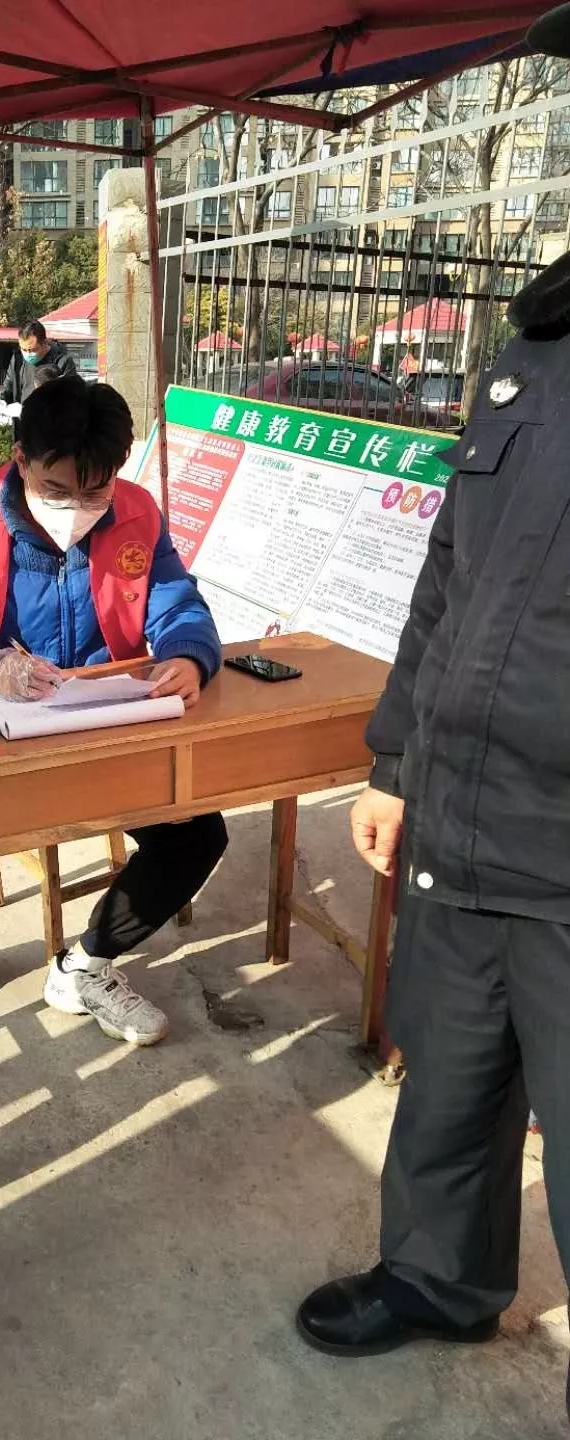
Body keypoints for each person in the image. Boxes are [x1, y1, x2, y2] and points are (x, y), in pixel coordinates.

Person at [297, 9, 570, 1428]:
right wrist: (395, 758)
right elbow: (447, 580)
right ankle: (438, 1278)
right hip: (463, 823)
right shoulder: (538, 348)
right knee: (450, 1083)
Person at [0, 373, 228, 1045]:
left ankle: (86, 965)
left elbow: (177, 601)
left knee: (198, 832)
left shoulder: (135, 514)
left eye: (95, 492)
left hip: (105, 727)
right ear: (20, 459)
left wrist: (190, 656)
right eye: (56, 489)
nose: (77, 509)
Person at [0, 319, 78, 408]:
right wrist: (1, 401)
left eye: (32, 350)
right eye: (24, 349)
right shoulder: (18, 360)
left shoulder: (63, 362)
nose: (28, 354)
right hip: (22, 413)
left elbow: (70, 398)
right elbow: (7, 387)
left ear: (44, 343)